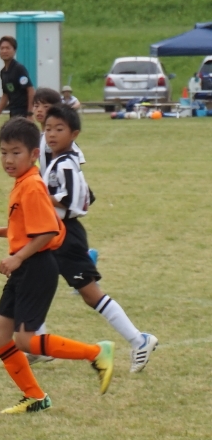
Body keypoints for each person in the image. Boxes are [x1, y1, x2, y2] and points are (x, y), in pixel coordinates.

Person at [0, 118, 114, 415]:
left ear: (34, 154)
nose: (8, 160)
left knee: (25, 339)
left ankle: (96, 352)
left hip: (37, 267)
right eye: (3, 152)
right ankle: (35, 396)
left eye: (16, 153)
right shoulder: (23, 183)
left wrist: (18, 257)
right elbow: (29, 227)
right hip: (26, 267)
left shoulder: (32, 186)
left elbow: (49, 231)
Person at [37, 105, 158, 371]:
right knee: (33, 280)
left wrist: (37, 197)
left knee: (91, 295)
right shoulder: (59, 162)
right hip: (54, 232)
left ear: (74, 134)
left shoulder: (65, 164)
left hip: (65, 236)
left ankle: (139, 340)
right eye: (48, 129)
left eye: (59, 129)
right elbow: (88, 196)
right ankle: (35, 342)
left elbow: (71, 200)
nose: (52, 134)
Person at [0, 36, 35, 127]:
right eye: (2, 48)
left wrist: (29, 114)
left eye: (7, 48)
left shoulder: (19, 69)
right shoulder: (3, 72)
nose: (4, 51)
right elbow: (6, 95)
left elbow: (30, 90)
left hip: (23, 112)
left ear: (14, 51)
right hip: (13, 111)